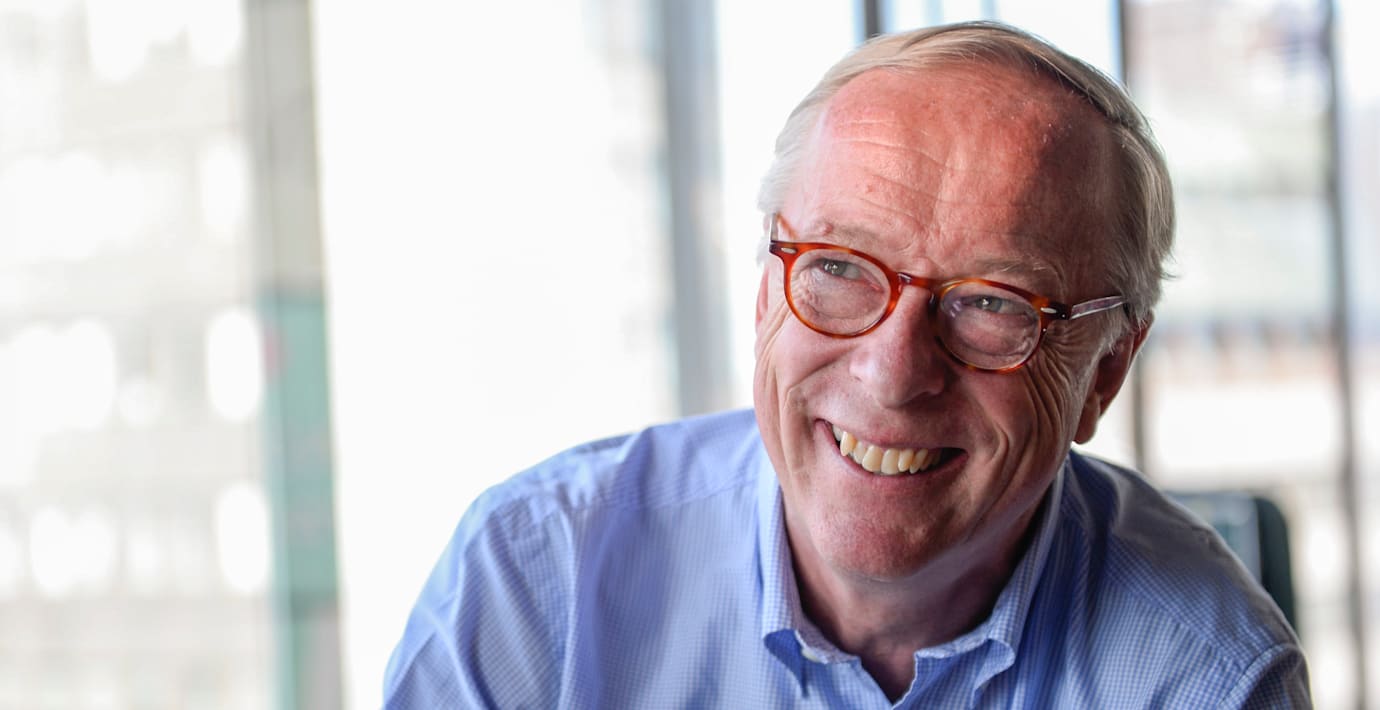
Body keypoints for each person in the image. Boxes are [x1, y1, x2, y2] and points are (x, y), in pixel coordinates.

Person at [383, 21, 1310, 708]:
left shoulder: (1209, 679)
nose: (892, 373)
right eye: (837, 268)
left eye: (993, 303)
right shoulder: (537, 582)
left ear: (1104, 373)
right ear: (765, 294)